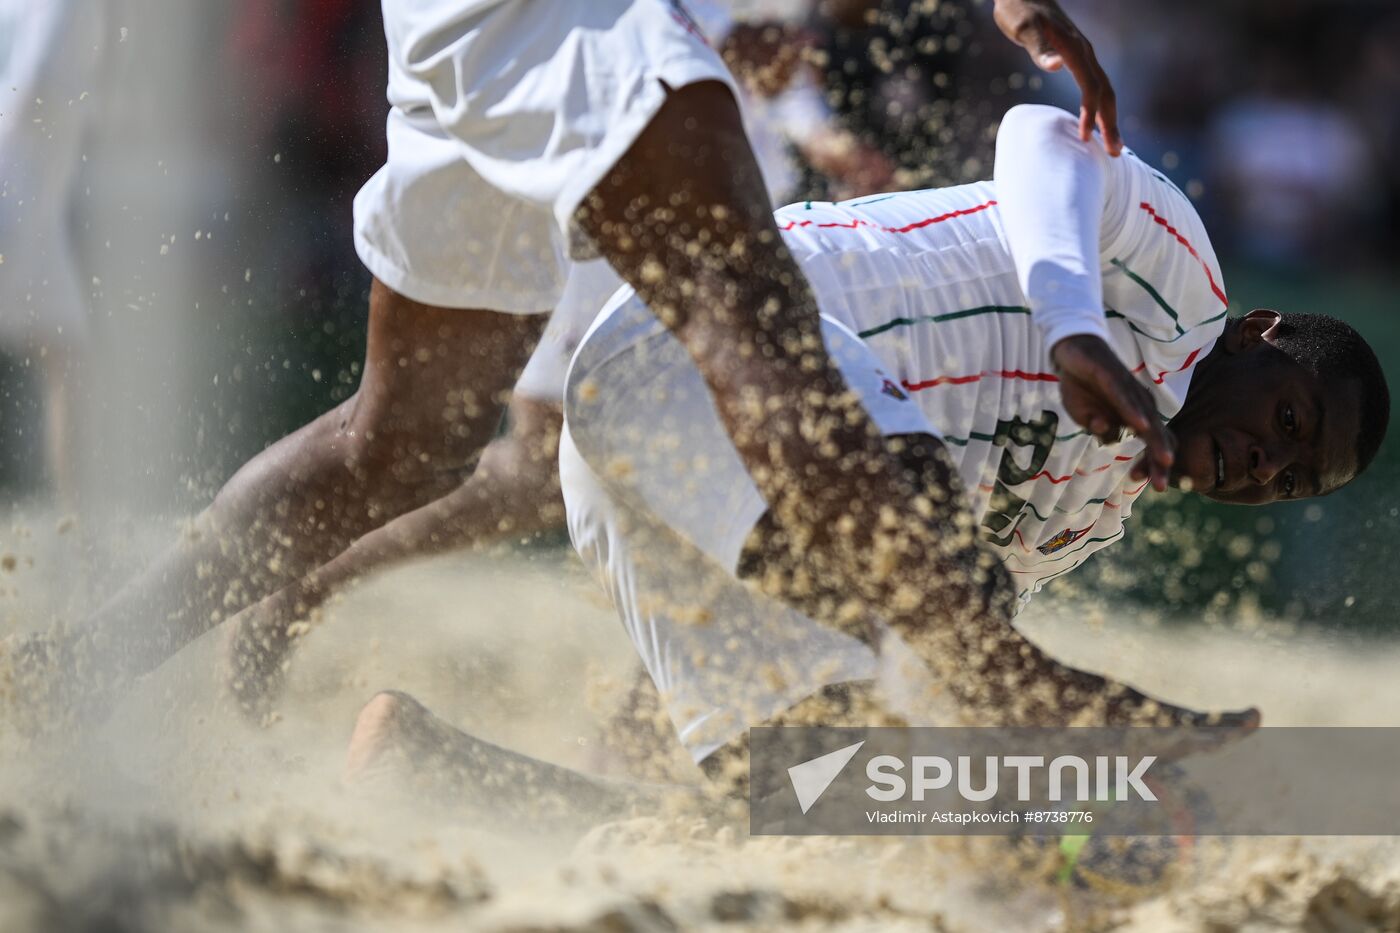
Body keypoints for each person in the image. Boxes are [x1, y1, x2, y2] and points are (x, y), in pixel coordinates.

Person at [18, 0, 1124, 712]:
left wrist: (814, 123)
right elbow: (753, 56)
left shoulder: (794, 32)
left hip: (524, 63)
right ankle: (982, 673)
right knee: (725, 362)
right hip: (585, 70)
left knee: (406, 445)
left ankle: (69, 674)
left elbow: (773, 68)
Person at [336, 103, 1387, 809]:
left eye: (1288, 482)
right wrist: (1068, 318)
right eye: (1288, 425)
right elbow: (1036, 133)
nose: (1262, 466)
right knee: (941, 611)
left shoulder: (1091, 513)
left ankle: (430, 774)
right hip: (708, 343)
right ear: (1259, 333)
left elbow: (918, 621)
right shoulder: (1178, 278)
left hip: (677, 475)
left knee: (812, 798)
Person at [221, 0, 900, 713]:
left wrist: (818, 131)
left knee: (704, 450)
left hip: (684, 160)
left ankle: (658, 727)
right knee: (557, 464)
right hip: (611, 154)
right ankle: (312, 572)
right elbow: (690, 32)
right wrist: (745, 52)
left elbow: (768, 49)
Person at [0, 0, 105, 506]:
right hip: (13, 200)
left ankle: (83, 530)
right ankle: (84, 532)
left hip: (29, 205)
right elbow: (30, 94)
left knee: (69, 362)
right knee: (69, 364)